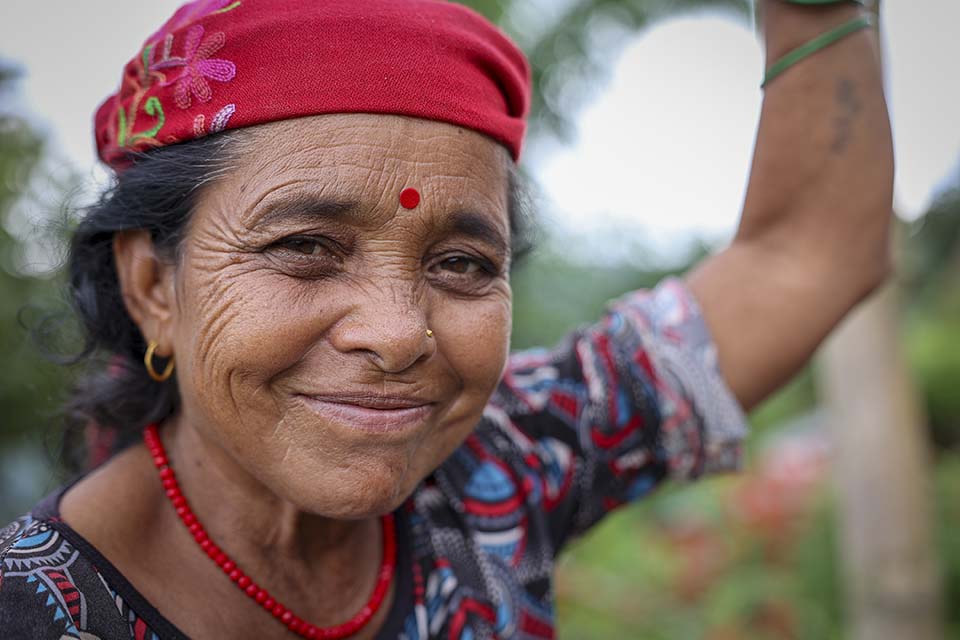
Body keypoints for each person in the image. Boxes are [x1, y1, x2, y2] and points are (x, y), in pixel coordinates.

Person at [0, 0, 892, 638]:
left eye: (462, 264)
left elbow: (804, 255)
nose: (397, 333)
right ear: (155, 283)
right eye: (306, 246)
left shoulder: (507, 464)